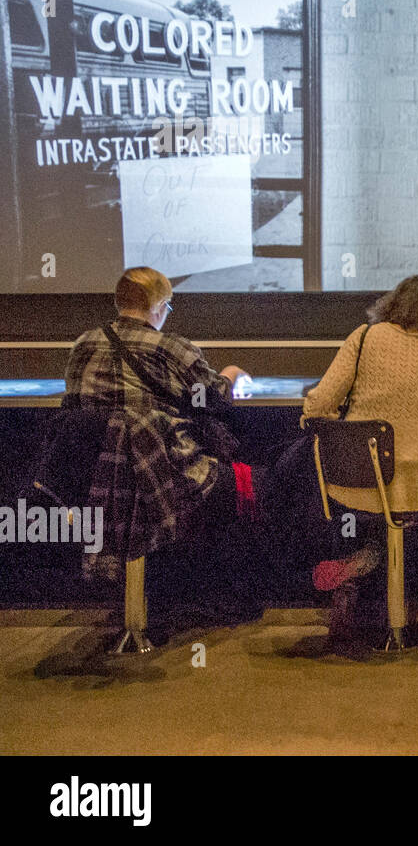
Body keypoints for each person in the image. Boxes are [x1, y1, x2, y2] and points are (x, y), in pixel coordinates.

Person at [60, 266, 264, 624]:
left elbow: (72, 412)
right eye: (168, 306)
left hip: (97, 487)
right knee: (252, 483)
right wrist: (231, 373)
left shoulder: (83, 345)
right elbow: (213, 400)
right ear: (157, 306)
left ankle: (154, 600)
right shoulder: (172, 348)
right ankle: (216, 599)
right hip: (165, 481)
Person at [303, 275, 418, 644]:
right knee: (400, 516)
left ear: (393, 304)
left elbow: (319, 403)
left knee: (369, 512)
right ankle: (392, 611)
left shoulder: (366, 336)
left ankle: (363, 567)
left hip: (360, 477)